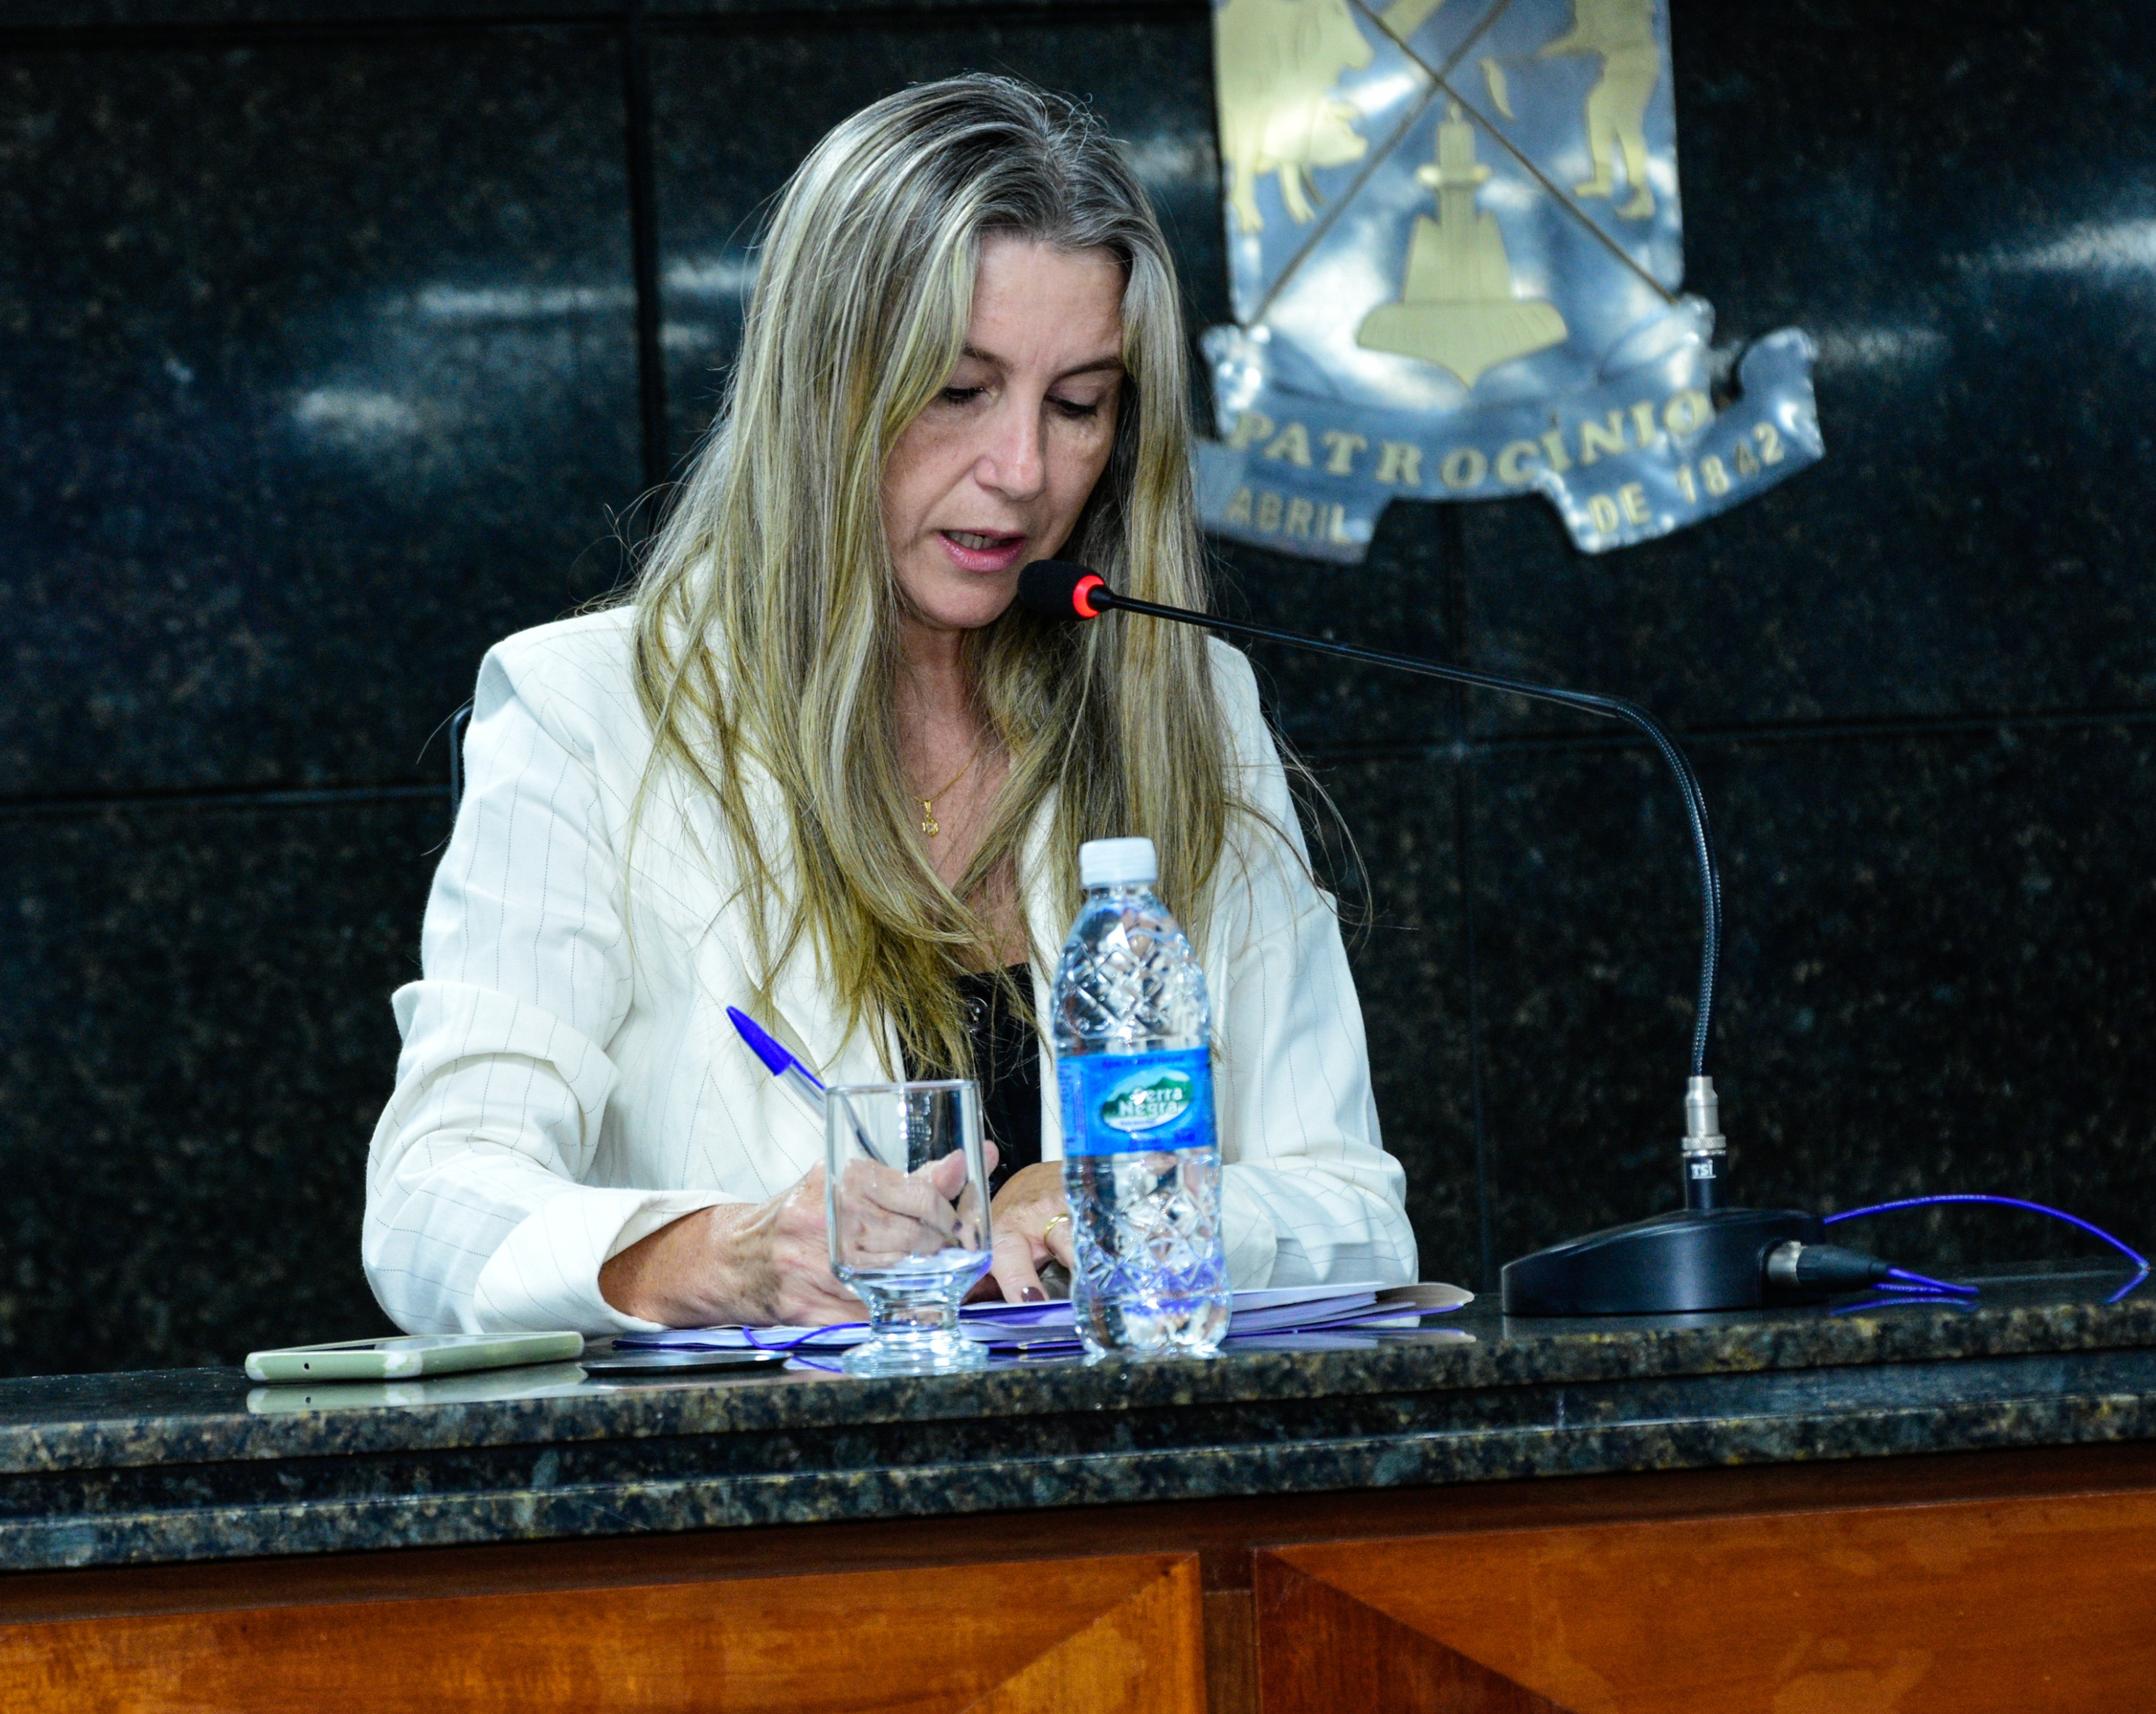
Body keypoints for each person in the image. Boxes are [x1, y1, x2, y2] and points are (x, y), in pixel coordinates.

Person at [363, 74, 1416, 1339]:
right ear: (822, 388)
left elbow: (1359, 1213)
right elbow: (430, 1201)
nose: (1022, 470)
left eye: (1078, 404)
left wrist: (1126, 1206)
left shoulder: (1190, 703)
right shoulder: (589, 712)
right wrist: (722, 1253)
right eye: (959, 389)